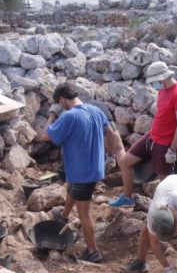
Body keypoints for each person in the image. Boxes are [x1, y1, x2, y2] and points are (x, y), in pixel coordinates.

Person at [41, 81, 124, 263]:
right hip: (94, 168)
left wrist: (52, 114)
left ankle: (93, 251)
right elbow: (111, 132)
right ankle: (63, 216)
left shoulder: (69, 116)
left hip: (81, 171)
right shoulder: (96, 111)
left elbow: (46, 135)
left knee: (84, 212)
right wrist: (111, 153)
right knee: (74, 190)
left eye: (60, 102)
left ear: (62, 99)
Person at [109, 61, 177, 208]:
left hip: (165, 143)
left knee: (165, 181)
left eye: (155, 81)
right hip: (152, 137)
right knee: (125, 162)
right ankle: (127, 197)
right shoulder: (163, 89)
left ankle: (166, 210)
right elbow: (161, 115)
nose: (154, 85)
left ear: (162, 77)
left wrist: (172, 150)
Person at [125, 173, 177, 273]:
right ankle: (140, 262)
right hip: (168, 188)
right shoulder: (153, 214)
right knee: (145, 231)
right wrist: (168, 268)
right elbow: (155, 244)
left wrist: (176, 231)